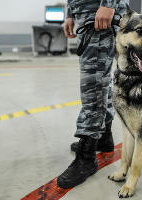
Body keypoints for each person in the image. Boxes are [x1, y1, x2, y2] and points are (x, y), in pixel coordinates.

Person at [57, 0, 128, 189]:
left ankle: (86, 157)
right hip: (87, 13)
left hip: (99, 12)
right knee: (101, 80)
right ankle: (104, 138)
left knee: (93, 85)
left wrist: (109, 4)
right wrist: (71, 13)